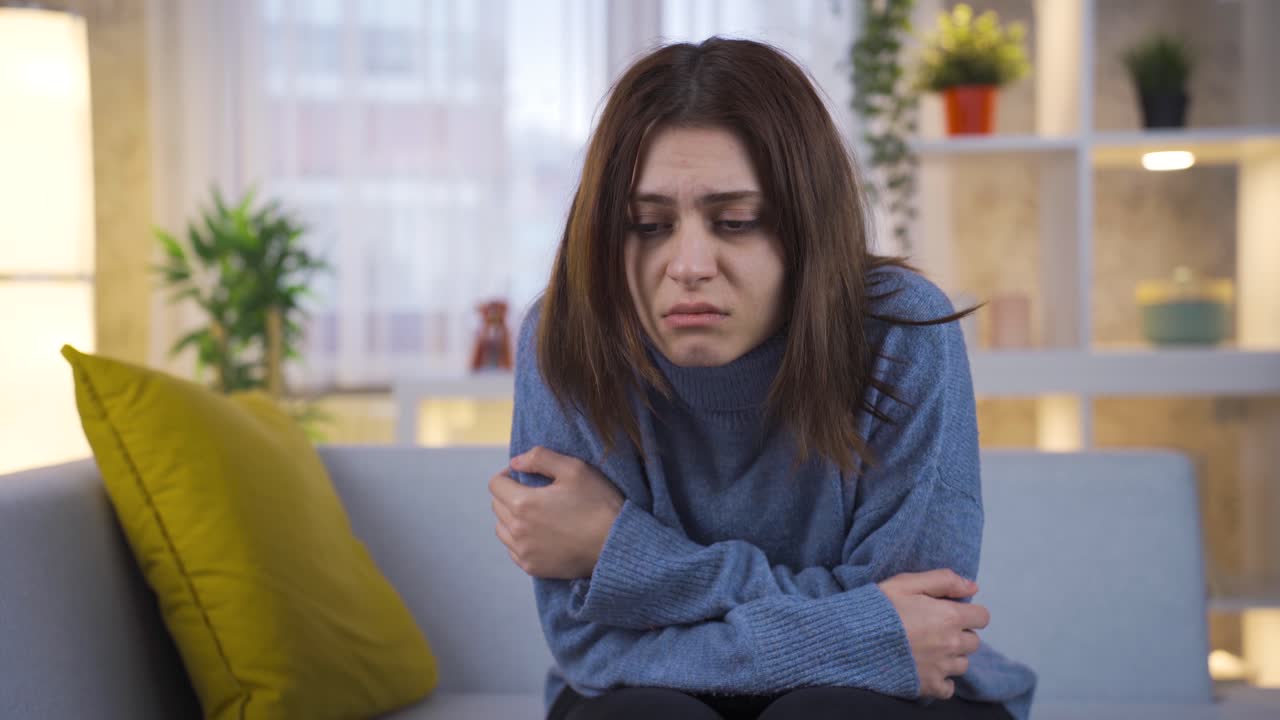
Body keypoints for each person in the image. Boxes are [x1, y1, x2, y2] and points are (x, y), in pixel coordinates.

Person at [487, 37, 1037, 720]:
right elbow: (593, 651)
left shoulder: (901, 331)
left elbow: (922, 630)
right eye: (647, 225)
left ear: (807, 228)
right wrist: (855, 627)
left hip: (892, 696)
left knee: (826, 713)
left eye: (736, 222)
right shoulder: (566, 337)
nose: (689, 263)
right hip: (649, 693)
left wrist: (622, 552)